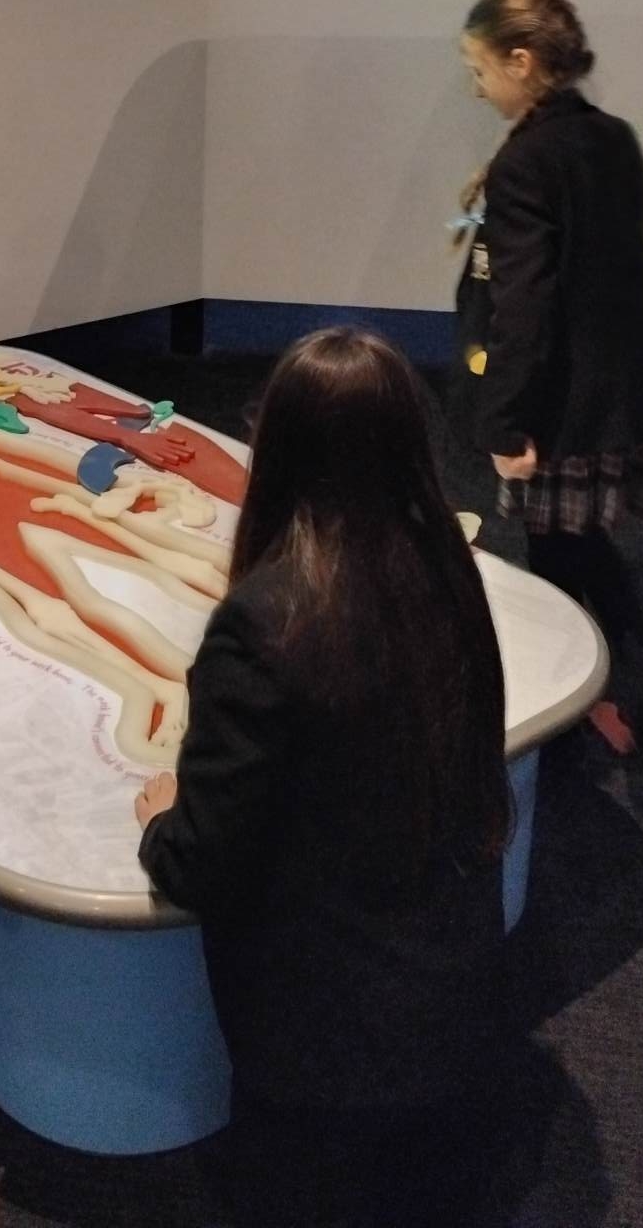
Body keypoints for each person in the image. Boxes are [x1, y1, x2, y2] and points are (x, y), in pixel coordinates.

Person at [136, 329, 510, 1227]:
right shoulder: (448, 574)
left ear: (279, 449)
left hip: (320, 1050)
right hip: (456, 1004)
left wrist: (162, 817)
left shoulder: (263, 622)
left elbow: (202, 864)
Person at [456, 0, 643, 755]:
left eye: (480, 68)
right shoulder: (611, 137)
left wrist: (502, 421)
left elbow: (523, 305)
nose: (476, 86)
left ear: (522, 61)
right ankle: (637, 698)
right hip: (619, 390)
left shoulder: (527, 161)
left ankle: (586, 708)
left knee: (558, 553)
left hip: (557, 401)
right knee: (582, 544)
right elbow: (628, 275)